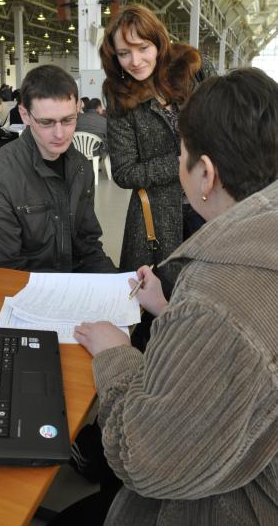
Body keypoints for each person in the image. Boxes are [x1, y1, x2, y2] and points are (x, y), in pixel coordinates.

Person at [72, 68, 278, 526]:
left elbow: (142, 461)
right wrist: (170, 309)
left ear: (205, 174)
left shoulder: (216, 299)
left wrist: (116, 355)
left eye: (179, 152)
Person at [100, 4, 211, 299]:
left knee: (209, 295)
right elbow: (124, 172)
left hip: (212, 202)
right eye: (124, 53)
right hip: (157, 219)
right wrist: (180, 163)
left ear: (159, 42)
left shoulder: (194, 71)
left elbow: (227, 122)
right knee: (153, 304)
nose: (135, 61)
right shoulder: (119, 97)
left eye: (143, 47)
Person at [0, 64, 116, 273]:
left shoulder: (81, 166)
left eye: (68, 120)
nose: (60, 134)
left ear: (78, 110)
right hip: (28, 290)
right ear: (25, 114)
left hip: (73, 282)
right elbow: (9, 270)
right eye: (46, 122)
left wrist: (116, 282)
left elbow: (88, 244)